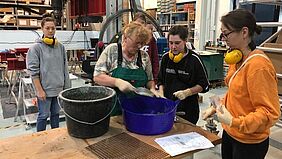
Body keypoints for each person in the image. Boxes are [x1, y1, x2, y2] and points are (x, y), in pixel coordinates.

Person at [202, 9, 281, 159]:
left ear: (244, 32)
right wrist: (216, 106)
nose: (223, 39)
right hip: (231, 133)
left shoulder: (258, 67)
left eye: (226, 34)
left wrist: (235, 122)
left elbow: (269, 113)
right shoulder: (237, 58)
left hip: (248, 142)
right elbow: (237, 94)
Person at [93, 22, 159, 116]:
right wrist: (117, 82)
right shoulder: (112, 50)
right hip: (113, 110)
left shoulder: (144, 56)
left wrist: (152, 89)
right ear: (125, 37)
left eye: (142, 43)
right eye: (137, 42)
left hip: (136, 110)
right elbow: (97, 77)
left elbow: (149, 79)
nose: (140, 46)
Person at [26, 14, 70, 132]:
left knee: (56, 114)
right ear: (42, 29)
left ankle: (54, 137)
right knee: (43, 115)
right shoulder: (36, 48)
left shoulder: (60, 47)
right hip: (44, 90)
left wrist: (66, 88)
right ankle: (40, 139)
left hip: (58, 89)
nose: (51, 31)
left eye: (53, 28)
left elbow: (65, 69)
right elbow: (33, 72)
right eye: (47, 28)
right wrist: (39, 90)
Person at [157, 25, 209, 124]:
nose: (173, 47)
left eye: (177, 43)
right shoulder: (165, 58)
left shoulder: (194, 60)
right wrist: (161, 93)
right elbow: (160, 81)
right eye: (171, 43)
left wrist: (187, 92)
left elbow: (204, 85)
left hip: (188, 111)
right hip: (168, 108)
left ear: (185, 41)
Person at [133, 12, 159, 83]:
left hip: (146, 75)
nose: (140, 25)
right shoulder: (129, 38)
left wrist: (155, 79)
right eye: (137, 23)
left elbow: (155, 59)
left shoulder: (151, 39)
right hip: (132, 74)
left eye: (142, 23)